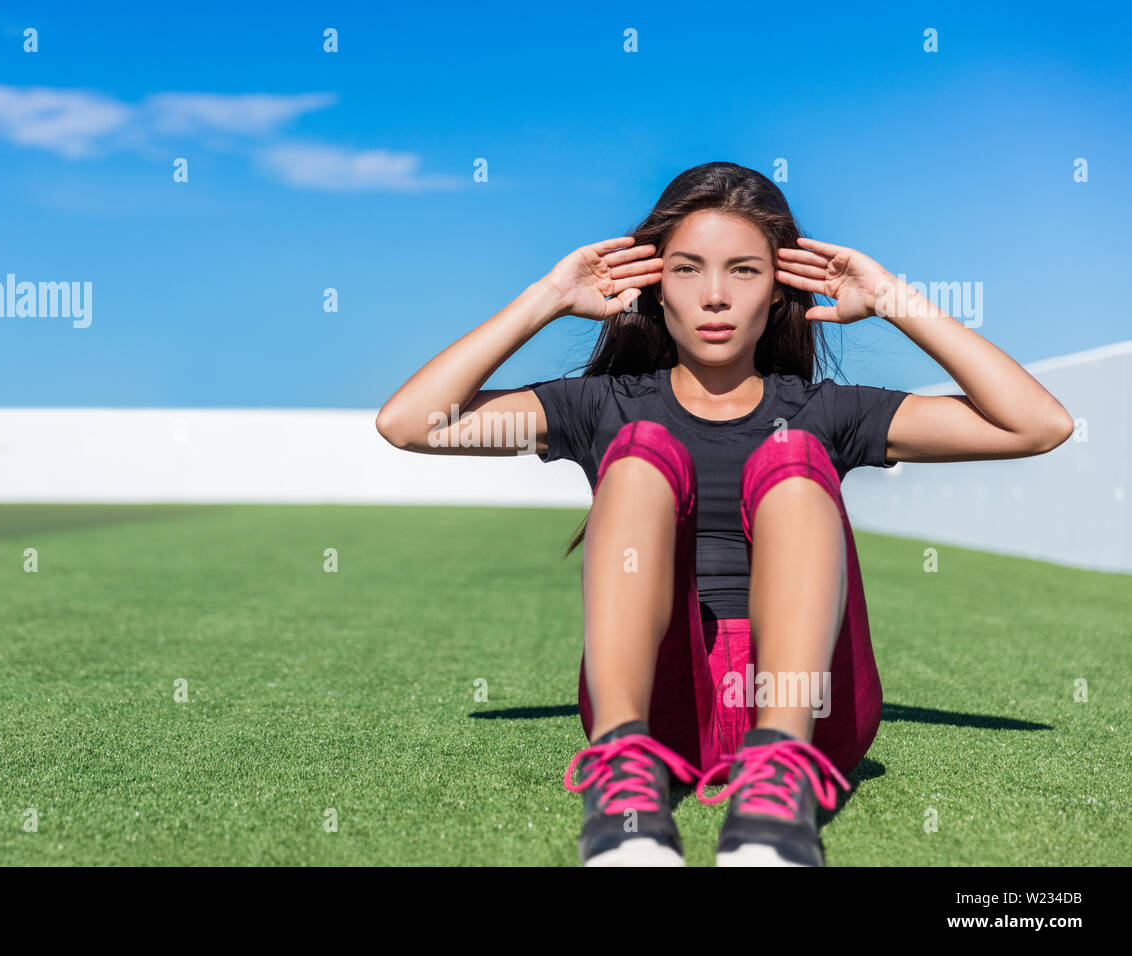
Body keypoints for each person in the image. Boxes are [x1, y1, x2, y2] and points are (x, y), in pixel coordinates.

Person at [374, 162, 1073, 867]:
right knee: (643, 448)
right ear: (652, 286)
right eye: (687, 269)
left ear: (778, 290)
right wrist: (547, 298)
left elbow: (1036, 425)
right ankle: (624, 777)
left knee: (792, 457)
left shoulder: (825, 409)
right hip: (666, 705)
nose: (714, 296)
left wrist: (896, 300)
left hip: (812, 711)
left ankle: (777, 778)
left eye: (743, 271)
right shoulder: (602, 408)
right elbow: (411, 424)